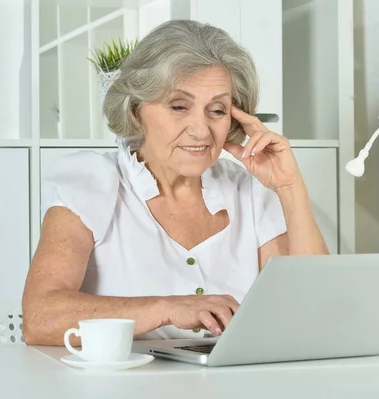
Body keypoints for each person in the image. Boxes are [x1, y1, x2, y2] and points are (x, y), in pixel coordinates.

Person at [22, 19, 328, 346]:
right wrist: (168, 308)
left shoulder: (251, 190)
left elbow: (315, 313)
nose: (200, 130)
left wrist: (289, 186)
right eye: (179, 106)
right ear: (136, 109)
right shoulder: (91, 181)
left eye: (217, 110)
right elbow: (40, 318)